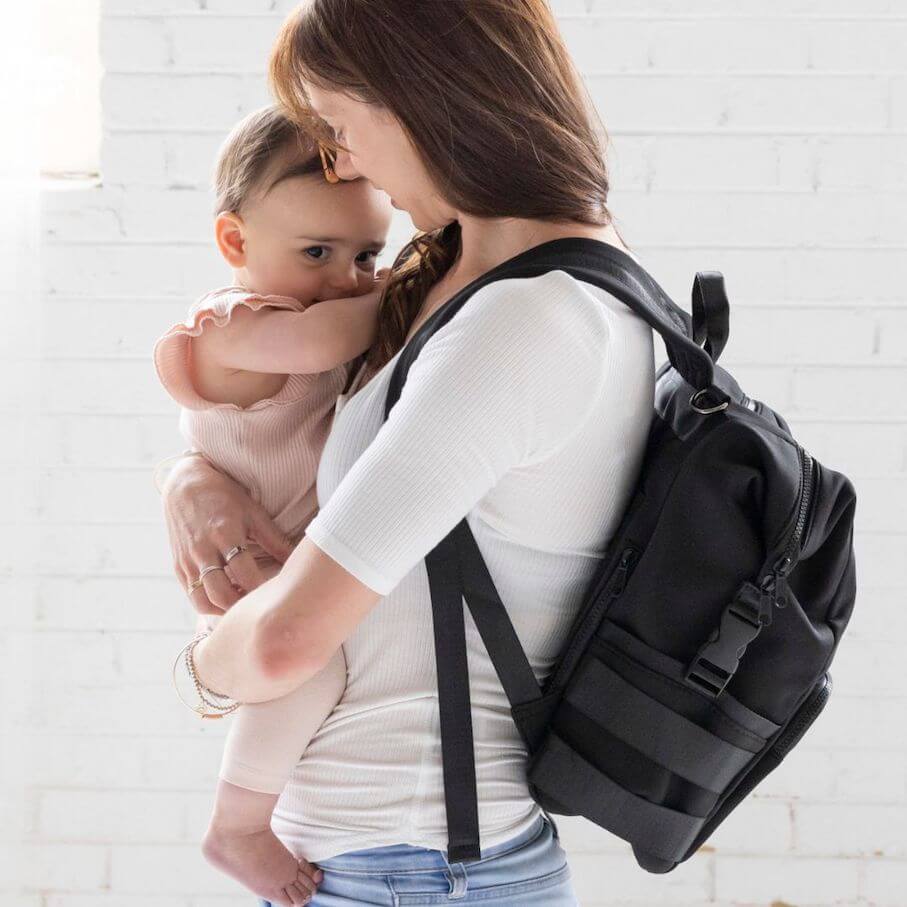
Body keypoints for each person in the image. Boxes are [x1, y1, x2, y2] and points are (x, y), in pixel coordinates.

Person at [159, 1, 656, 904]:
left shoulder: (522, 319)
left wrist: (198, 662)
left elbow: (282, 644)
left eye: (340, 125)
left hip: (414, 868)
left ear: (416, 101)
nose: (343, 161)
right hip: (399, 861)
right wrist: (192, 476)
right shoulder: (483, 290)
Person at [153, 103, 392, 905]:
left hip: (289, 562)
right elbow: (324, 344)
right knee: (310, 664)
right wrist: (415, 281)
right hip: (249, 573)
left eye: (368, 253)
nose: (346, 275)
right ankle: (238, 825)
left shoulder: (316, 310)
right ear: (235, 243)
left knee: (320, 666)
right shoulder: (231, 329)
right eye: (317, 250)